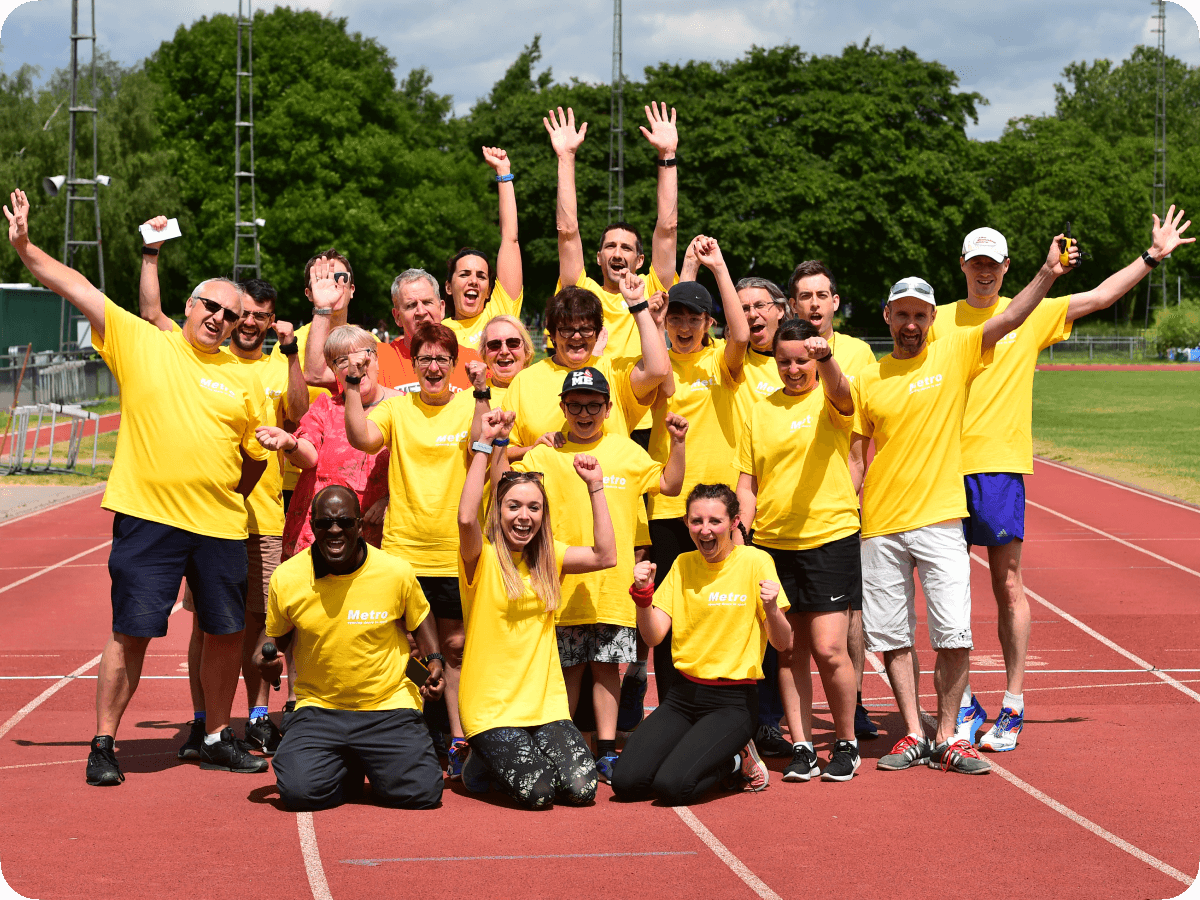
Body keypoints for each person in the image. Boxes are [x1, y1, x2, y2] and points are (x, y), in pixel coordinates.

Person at [5, 189, 271, 784]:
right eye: (210, 307)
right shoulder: (143, 340)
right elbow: (74, 285)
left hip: (219, 526)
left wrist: (226, 490)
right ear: (189, 302)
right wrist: (25, 248)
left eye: (231, 315)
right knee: (132, 632)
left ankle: (212, 736)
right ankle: (104, 743)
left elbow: (253, 455)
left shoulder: (244, 379)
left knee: (225, 634)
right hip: (150, 518)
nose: (220, 319)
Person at [928, 210, 1194, 752]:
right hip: (941, 467)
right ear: (962, 265)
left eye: (992, 263)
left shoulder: (1031, 313)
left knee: (1007, 584)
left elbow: (1097, 297)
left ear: (1005, 268)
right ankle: (965, 699)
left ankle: (1014, 703)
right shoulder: (934, 319)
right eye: (974, 262)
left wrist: (1151, 256)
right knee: (942, 590)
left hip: (999, 466)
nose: (983, 272)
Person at [856, 236, 1074, 776]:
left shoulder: (956, 348)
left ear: (932, 319)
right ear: (887, 315)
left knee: (956, 629)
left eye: (919, 315)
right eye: (901, 314)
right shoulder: (868, 376)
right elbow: (857, 449)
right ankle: (913, 731)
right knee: (894, 635)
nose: (911, 323)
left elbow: (1014, 317)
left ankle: (953, 733)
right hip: (884, 520)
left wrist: (1048, 272)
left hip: (947, 507)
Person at [136, 217, 309, 757]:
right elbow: (152, 315)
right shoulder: (202, 357)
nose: (249, 323)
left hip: (262, 521)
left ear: (272, 320)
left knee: (256, 623)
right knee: (206, 628)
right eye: (243, 316)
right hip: (207, 519)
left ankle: (256, 713)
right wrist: (152, 254)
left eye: (259, 316)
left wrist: (295, 352)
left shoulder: (277, 367)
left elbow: (298, 414)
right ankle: (202, 720)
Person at [499, 367, 687, 783]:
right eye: (576, 405)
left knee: (606, 667)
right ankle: (564, 747)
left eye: (594, 406)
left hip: (612, 586)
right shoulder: (545, 455)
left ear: (607, 408)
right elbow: (505, 486)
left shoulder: (626, 451)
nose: (585, 414)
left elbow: (671, 486)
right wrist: (509, 443)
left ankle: (605, 750)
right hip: (560, 584)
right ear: (563, 407)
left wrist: (677, 443)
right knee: (566, 670)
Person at [344, 322, 489, 779]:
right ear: (415, 363)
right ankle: (415, 735)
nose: (432, 366)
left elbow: (487, 442)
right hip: (404, 554)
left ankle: (458, 738)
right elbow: (361, 437)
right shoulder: (397, 409)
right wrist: (351, 384)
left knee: (456, 647)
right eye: (424, 358)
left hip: (456, 552)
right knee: (409, 649)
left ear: (453, 366)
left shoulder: (470, 404)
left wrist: (483, 393)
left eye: (441, 359)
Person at [456, 409, 618, 809]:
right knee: (539, 794)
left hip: (544, 705)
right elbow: (464, 517)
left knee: (582, 789)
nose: (523, 517)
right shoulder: (483, 557)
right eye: (513, 506)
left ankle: (511, 753)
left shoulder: (551, 559)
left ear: (543, 515)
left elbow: (605, 555)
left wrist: (596, 486)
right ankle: (478, 763)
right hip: (491, 708)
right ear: (498, 511)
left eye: (533, 508)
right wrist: (484, 445)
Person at [256, 486, 446, 811]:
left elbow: (420, 619)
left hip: (388, 704)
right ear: (312, 525)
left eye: (344, 522)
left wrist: (434, 661)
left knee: (421, 794)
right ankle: (349, 764)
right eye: (324, 523)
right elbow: (274, 638)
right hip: (320, 707)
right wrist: (265, 659)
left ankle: (358, 759)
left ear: (359, 525)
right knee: (300, 794)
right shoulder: (287, 578)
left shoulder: (395, 572)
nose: (334, 530)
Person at [735, 320, 861, 782]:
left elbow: (844, 394)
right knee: (787, 653)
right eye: (784, 361)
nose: (792, 369)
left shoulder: (829, 396)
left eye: (801, 361)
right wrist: (740, 533)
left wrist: (825, 359)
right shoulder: (759, 409)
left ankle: (845, 741)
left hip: (829, 537)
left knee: (829, 649)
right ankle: (803, 746)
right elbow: (747, 483)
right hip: (773, 543)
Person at [611, 484, 792, 805]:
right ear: (686, 523)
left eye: (715, 521)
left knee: (671, 788)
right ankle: (708, 754)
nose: (705, 530)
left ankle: (737, 762)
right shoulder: (682, 565)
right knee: (626, 783)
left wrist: (772, 608)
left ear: (734, 522)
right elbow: (654, 636)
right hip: (682, 699)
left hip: (732, 703)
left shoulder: (756, 561)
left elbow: (782, 642)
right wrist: (642, 597)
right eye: (696, 521)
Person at [646, 238, 750, 703]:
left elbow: (743, 336)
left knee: (731, 610)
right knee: (671, 613)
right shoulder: (655, 362)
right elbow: (658, 365)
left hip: (719, 509)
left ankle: (739, 712)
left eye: (694, 317)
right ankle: (673, 706)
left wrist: (719, 269)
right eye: (676, 317)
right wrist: (654, 310)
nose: (684, 325)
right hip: (669, 506)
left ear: (709, 323)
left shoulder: (720, 361)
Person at [788, 258, 880, 740]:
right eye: (805, 296)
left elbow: (861, 424)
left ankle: (857, 701)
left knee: (852, 616)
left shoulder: (860, 353)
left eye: (822, 295)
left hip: (850, 496)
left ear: (835, 302)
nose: (814, 304)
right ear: (793, 304)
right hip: (796, 509)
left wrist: (856, 485)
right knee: (799, 625)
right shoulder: (784, 353)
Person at [545, 103, 678, 368]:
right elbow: (567, 232)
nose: (617, 254)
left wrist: (668, 155)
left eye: (626, 248)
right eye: (610, 247)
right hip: (589, 400)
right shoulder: (582, 291)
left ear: (640, 260)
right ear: (598, 257)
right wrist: (565, 157)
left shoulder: (649, 288)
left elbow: (667, 229)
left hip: (638, 394)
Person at [256, 325, 394, 558]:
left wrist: (390, 500)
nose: (355, 367)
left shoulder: (400, 407)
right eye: (342, 361)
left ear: (377, 360)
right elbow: (309, 456)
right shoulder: (325, 406)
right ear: (333, 371)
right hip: (321, 533)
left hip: (377, 536)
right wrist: (290, 443)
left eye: (362, 358)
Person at [501, 279, 669, 452]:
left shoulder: (614, 372)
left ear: (597, 333)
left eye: (586, 329)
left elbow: (658, 370)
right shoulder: (525, 381)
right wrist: (533, 449)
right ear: (552, 335)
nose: (576, 337)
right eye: (566, 329)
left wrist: (638, 305)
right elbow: (503, 451)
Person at [442, 146, 524, 348]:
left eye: (481, 276)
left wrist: (504, 173)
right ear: (448, 287)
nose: (473, 281)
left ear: (488, 291)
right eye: (464, 274)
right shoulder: (439, 332)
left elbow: (510, 238)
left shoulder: (500, 312)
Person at [371, 269, 484, 394]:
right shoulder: (378, 360)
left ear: (441, 309)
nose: (421, 311)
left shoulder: (471, 361)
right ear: (397, 317)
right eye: (411, 305)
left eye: (427, 302)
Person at [476, 314, 535, 409]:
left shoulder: (545, 390)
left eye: (513, 343)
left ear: (526, 350)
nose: (504, 351)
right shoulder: (468, 399)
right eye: (494, 345)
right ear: (484, 354)